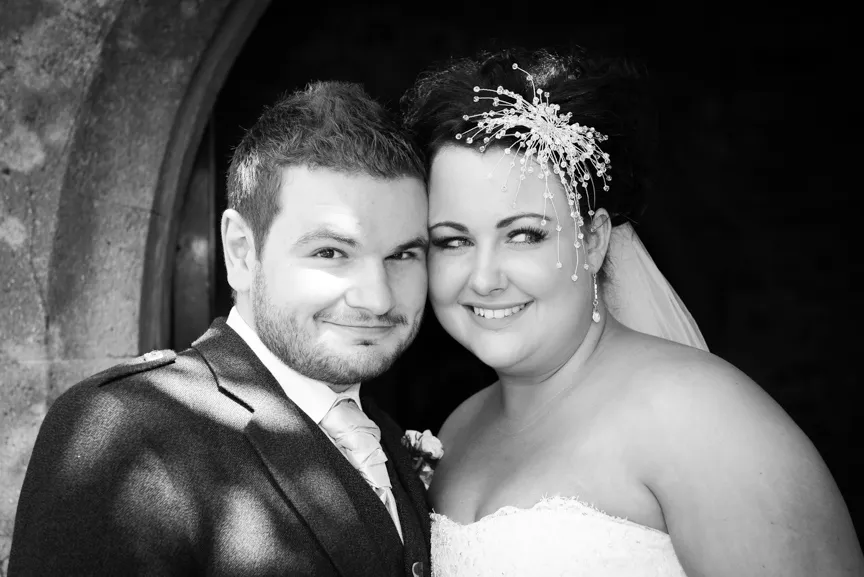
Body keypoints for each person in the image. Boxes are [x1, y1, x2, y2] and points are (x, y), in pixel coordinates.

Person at [401, 48, 864, 576]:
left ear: (594, 240)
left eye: (524, 235)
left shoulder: (696, 416)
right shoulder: (458, 430)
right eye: (453, 241)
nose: (484, 278)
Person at [10, 82, 432, 576]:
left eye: (403, 254)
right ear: (240, 250)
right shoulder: (122, 432)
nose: (378, 298)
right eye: (330, 252)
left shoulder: (385, 435)